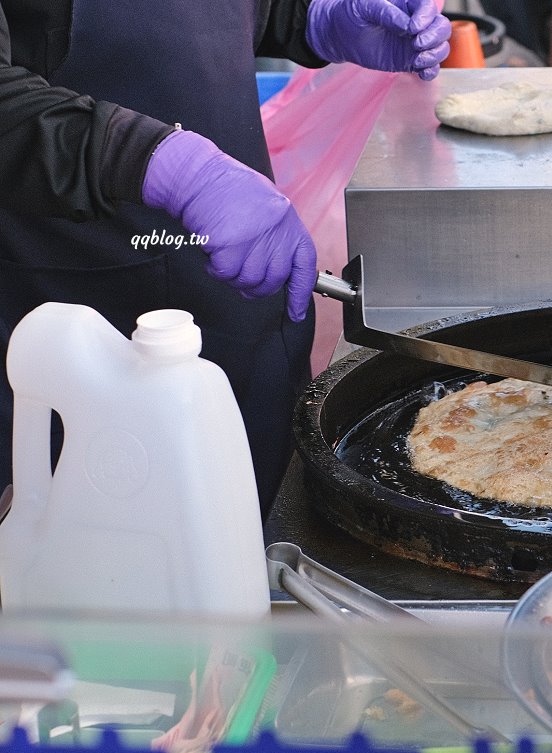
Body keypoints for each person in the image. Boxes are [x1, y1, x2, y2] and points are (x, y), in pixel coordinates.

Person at [0, 0, 451, 514]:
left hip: (243, 304)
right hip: (75, 316)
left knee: (265, 527)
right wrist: (163, 164)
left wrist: (309, 20)